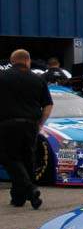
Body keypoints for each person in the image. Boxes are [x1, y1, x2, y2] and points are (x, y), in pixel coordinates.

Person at [0, 50, 53, 209]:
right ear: (27, 61)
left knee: (10, 159)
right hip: (31, 125)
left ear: (12, 61)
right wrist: (40, 124)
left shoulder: (2, 77)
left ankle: (30, 190)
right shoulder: (38, 79)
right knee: (27, 160)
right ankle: (19, 198)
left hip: (6, 125)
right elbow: (48, 105)